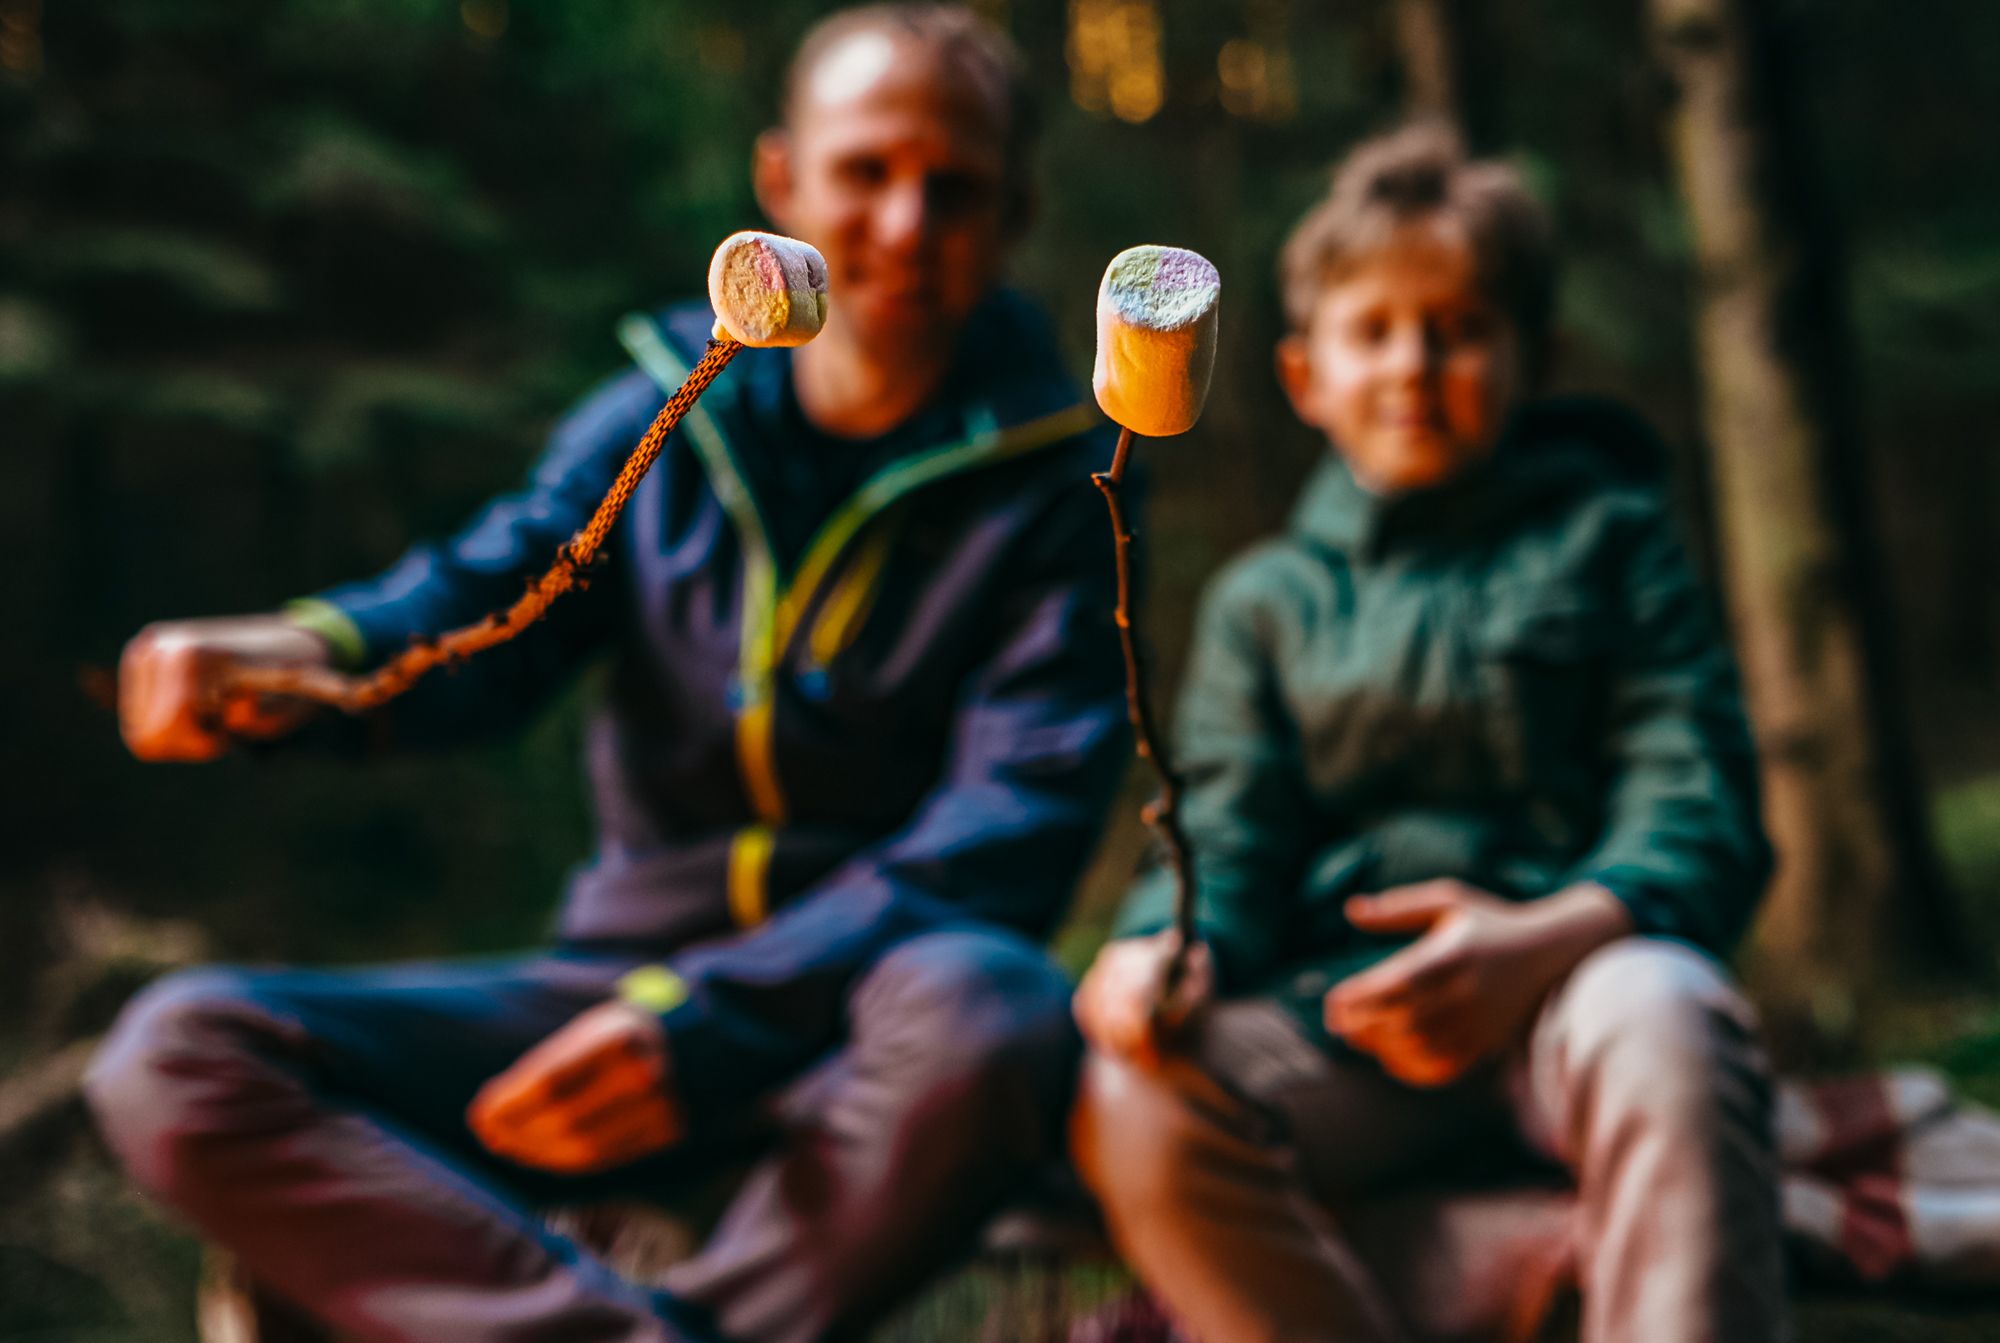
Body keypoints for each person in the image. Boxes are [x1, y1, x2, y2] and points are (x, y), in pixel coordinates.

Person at [86, 8, 1128, 1342]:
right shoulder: (661, 410)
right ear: (782, 182)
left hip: (865, 1026)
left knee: (995, 1004)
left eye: (956, 185)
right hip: (605, 987)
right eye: (866, 170)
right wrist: (304, 656)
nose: (909, 220)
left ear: (1016, 211)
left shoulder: (1068, 477)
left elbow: (1006, 838)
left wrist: (709, 1022)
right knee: (178, 1053)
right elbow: (488, 606)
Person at [1069, 124, 1787, 1343]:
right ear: (1304, 376)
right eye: (1372, 331)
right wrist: (1162, 948)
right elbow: (1226, 835)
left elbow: (1695, 798)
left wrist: (1544, 939)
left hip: (1578, 982)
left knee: (1666, 1015)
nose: (1412, 364)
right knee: (1132, 1097)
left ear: (1532, 357)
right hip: (1337, 1016)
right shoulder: (1266, 603)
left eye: (1456, 328)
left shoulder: (1613, 542)